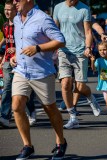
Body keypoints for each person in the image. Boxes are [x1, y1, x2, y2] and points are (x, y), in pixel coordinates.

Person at [10, 0, 67, 159]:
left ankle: (61, 142)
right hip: (21, 70)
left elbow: (61, 40)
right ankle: (27, 146)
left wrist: (38, 48)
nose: (14, 2)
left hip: (41, 72)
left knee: (50, 109)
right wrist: (16, 55)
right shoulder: (16, 18)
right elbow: (22, 41)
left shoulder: (42, 18)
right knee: (16, 106)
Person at [53, 0, 101, 129]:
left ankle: (90, 97)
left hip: (80, 51)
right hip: (64, 51)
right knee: (65, 83)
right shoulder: (58, 8)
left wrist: (88, 47)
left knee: (80, 87)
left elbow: (88, 32)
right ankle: (73, 116)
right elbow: (54, 29)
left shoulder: (84, 9)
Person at [0, 0, 36, 128]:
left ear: (15, 11)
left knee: (24, 91)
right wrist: (4, 57)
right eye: (5, 9)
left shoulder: (20, 25)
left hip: (21, 60)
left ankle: (31, 111)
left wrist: (16, 50)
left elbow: (26, 41)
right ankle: (4, 117)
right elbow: (6, 38)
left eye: (9, 9)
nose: (7, 12)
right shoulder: (5, 25)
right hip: (8, 61)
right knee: (7, 89)